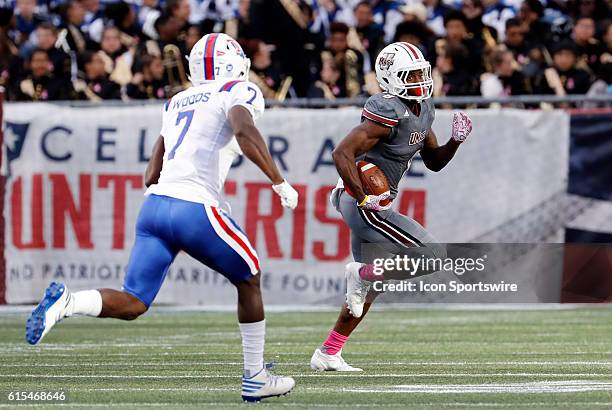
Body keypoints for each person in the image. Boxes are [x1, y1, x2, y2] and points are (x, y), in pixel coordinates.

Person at [25, 32, 297, 403]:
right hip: (193, 206)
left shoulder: (177, 100)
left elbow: (152, 172)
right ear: (234, 63)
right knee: (249, 276)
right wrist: (278, 181)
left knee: (134, 301)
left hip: (154, 207)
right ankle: (255, 376)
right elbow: (244, 128)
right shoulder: (238, 89)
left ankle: (68, 302)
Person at [310, 42, 473, 371]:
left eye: (421, 72)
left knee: (370, 286)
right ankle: (362, 275)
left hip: (371, 204)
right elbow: (342, 153)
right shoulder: (386, 109)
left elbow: (433, 162)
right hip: (364, 203)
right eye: (410, 75)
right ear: (390, 79)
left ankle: (329, 351)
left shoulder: (423, 108)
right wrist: (363, 196)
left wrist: (455, 141)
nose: (420, 80)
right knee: (432, 255)